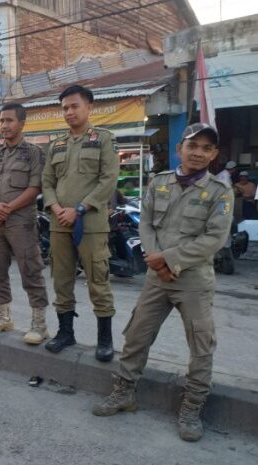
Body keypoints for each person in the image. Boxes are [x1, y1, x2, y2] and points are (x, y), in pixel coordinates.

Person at [92, 123, 233, 442]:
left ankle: (192, 407)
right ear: (178, 149)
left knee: (201, 344)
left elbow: (215, 238)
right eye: (192, 145)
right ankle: (124, 393)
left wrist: (170, 260)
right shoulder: (159, 182)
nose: (198, 152)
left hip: (193, 280)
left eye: (206, 147)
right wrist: (156, 258)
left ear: (213, 154)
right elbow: (146, 223)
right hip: (158, 277)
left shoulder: (219, 191)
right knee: (137, 335)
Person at [42, 85, 119, 361]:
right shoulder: (56, 145)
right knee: (61, 280)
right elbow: (47, 182)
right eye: (64, 108)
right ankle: (65, 333)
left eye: (74, 106)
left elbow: (108, 180)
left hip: (91, 223)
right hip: (59, 222)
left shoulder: (104, 140)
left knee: (98, 280)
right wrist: (55, 207)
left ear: (89, 108)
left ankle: (104, 340)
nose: (69, 112)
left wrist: (79, 208)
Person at [0, 103, 49, 345]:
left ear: (22, 123)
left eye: (9, 120)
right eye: (1, 120)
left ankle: (39, 324)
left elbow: (35, 187)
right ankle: (3, 317)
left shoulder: (34, 153)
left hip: (22, 221)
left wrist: (8, 208)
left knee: (31, 270)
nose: (4, 125)